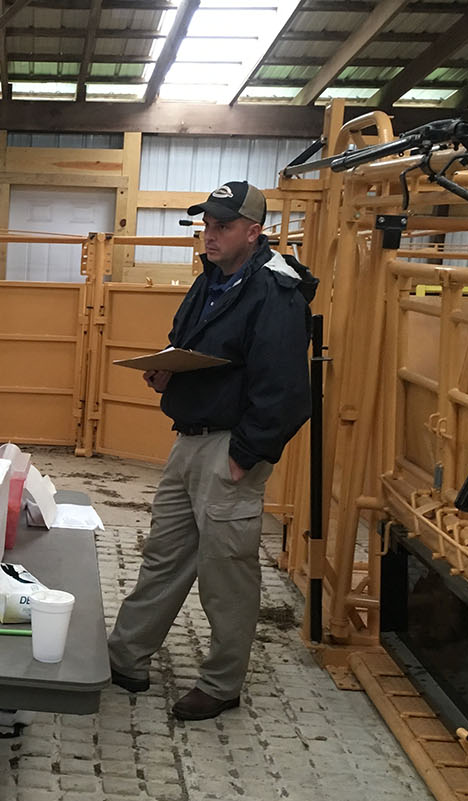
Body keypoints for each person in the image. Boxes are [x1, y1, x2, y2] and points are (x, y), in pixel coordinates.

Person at [107, 180, 316, 721]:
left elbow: (287, 393)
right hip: (190, 440)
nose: (211, 234)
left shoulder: (275, 291)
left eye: (223, 226)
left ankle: (223, 683)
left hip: (230, 447)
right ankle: (125, 657)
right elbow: (189, 346)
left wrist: (244, 456)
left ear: (254, 231)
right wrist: (166, 378)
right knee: (164, 554)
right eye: (208, 224)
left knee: (226, 571)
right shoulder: (212, 281)